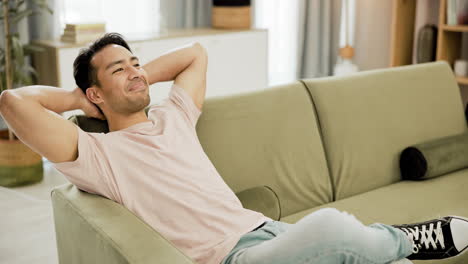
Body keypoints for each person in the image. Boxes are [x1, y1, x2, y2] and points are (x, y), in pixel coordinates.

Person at [0, 33, 466, 264]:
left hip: (268, 231)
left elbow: (196, 53)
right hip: (231, 258)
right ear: (96, 93)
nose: (136, 72)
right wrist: (75, 100)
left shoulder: (173, 116)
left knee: (341, 244)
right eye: (118, 70)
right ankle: (409, 240)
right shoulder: (96, 155)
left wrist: (136, 76)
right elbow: (12, 102)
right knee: (331, 229)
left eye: (136, 62)